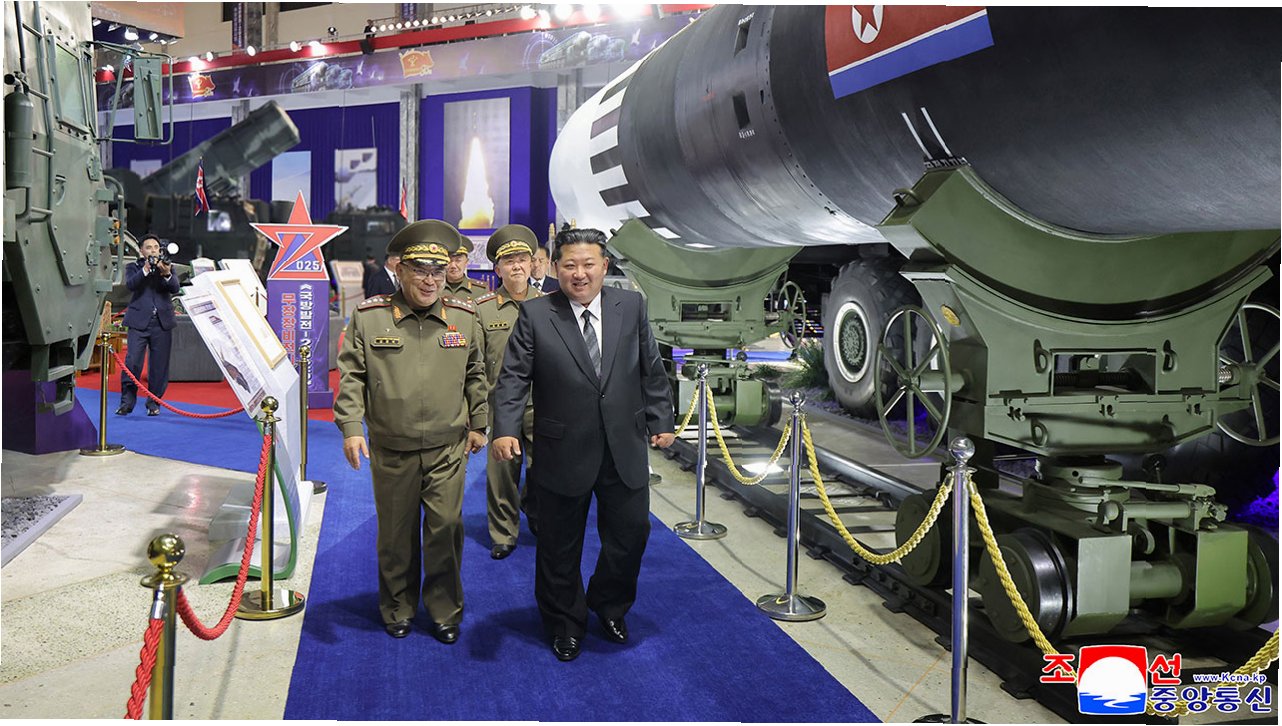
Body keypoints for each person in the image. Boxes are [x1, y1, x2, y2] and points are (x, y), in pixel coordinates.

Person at [492, 227, 675, 662]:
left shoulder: (631, 306)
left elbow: (651, 367)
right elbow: (513, 377)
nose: (580, 274)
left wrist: (661, 418)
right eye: (570, 265)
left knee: (631, 535)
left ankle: (609, 605)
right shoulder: (536, 314)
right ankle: (564, 622)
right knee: (559, 544)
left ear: (604, 266)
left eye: (588, 264)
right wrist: (505, 428)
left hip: (623, 445)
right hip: (562, 447)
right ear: (555, 268)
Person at [334, 220, 489, 644]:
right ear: (399, 270)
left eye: (437, 271)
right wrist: (351, 427)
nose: (430, 280)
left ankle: (444, 610)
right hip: (392, 449)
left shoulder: (464, 316)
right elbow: (352, 376)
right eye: (420, 270)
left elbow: (476, 373)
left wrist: (479, 422)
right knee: (396, 535)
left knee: (446, 529)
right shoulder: (370, 317)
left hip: (447, 448)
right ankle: (398, 607)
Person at [474, 225, 544, 561]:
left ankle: (534, 507)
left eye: (522, 259)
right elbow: (474, 364)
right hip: (501, 406)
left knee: (545, 469)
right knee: (502, 474)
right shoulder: (482, 309)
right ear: (497, 268)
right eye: (508, 261)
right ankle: (503, 533)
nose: (516, 266)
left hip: (543, 404)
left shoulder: (550, 306)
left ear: (532, 264)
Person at [118, 234, 180, 416]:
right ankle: (127, 403)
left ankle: (154, 403)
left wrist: (166, 273)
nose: (153, 250)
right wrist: (145, 269)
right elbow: (131, 285)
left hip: (162, 323)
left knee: (159, 366)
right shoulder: (133, 267)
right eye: (149, 247)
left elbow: (175, 287)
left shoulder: (168, 266)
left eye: (156, 247)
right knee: (132, 363)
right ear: (141, 251)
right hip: (139, 322)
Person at [443, 234, 488, 303]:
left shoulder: (480, 290)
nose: (453, 266)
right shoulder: (435, 287)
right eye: (449, 261)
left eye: (458, 260)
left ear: (466, 262)